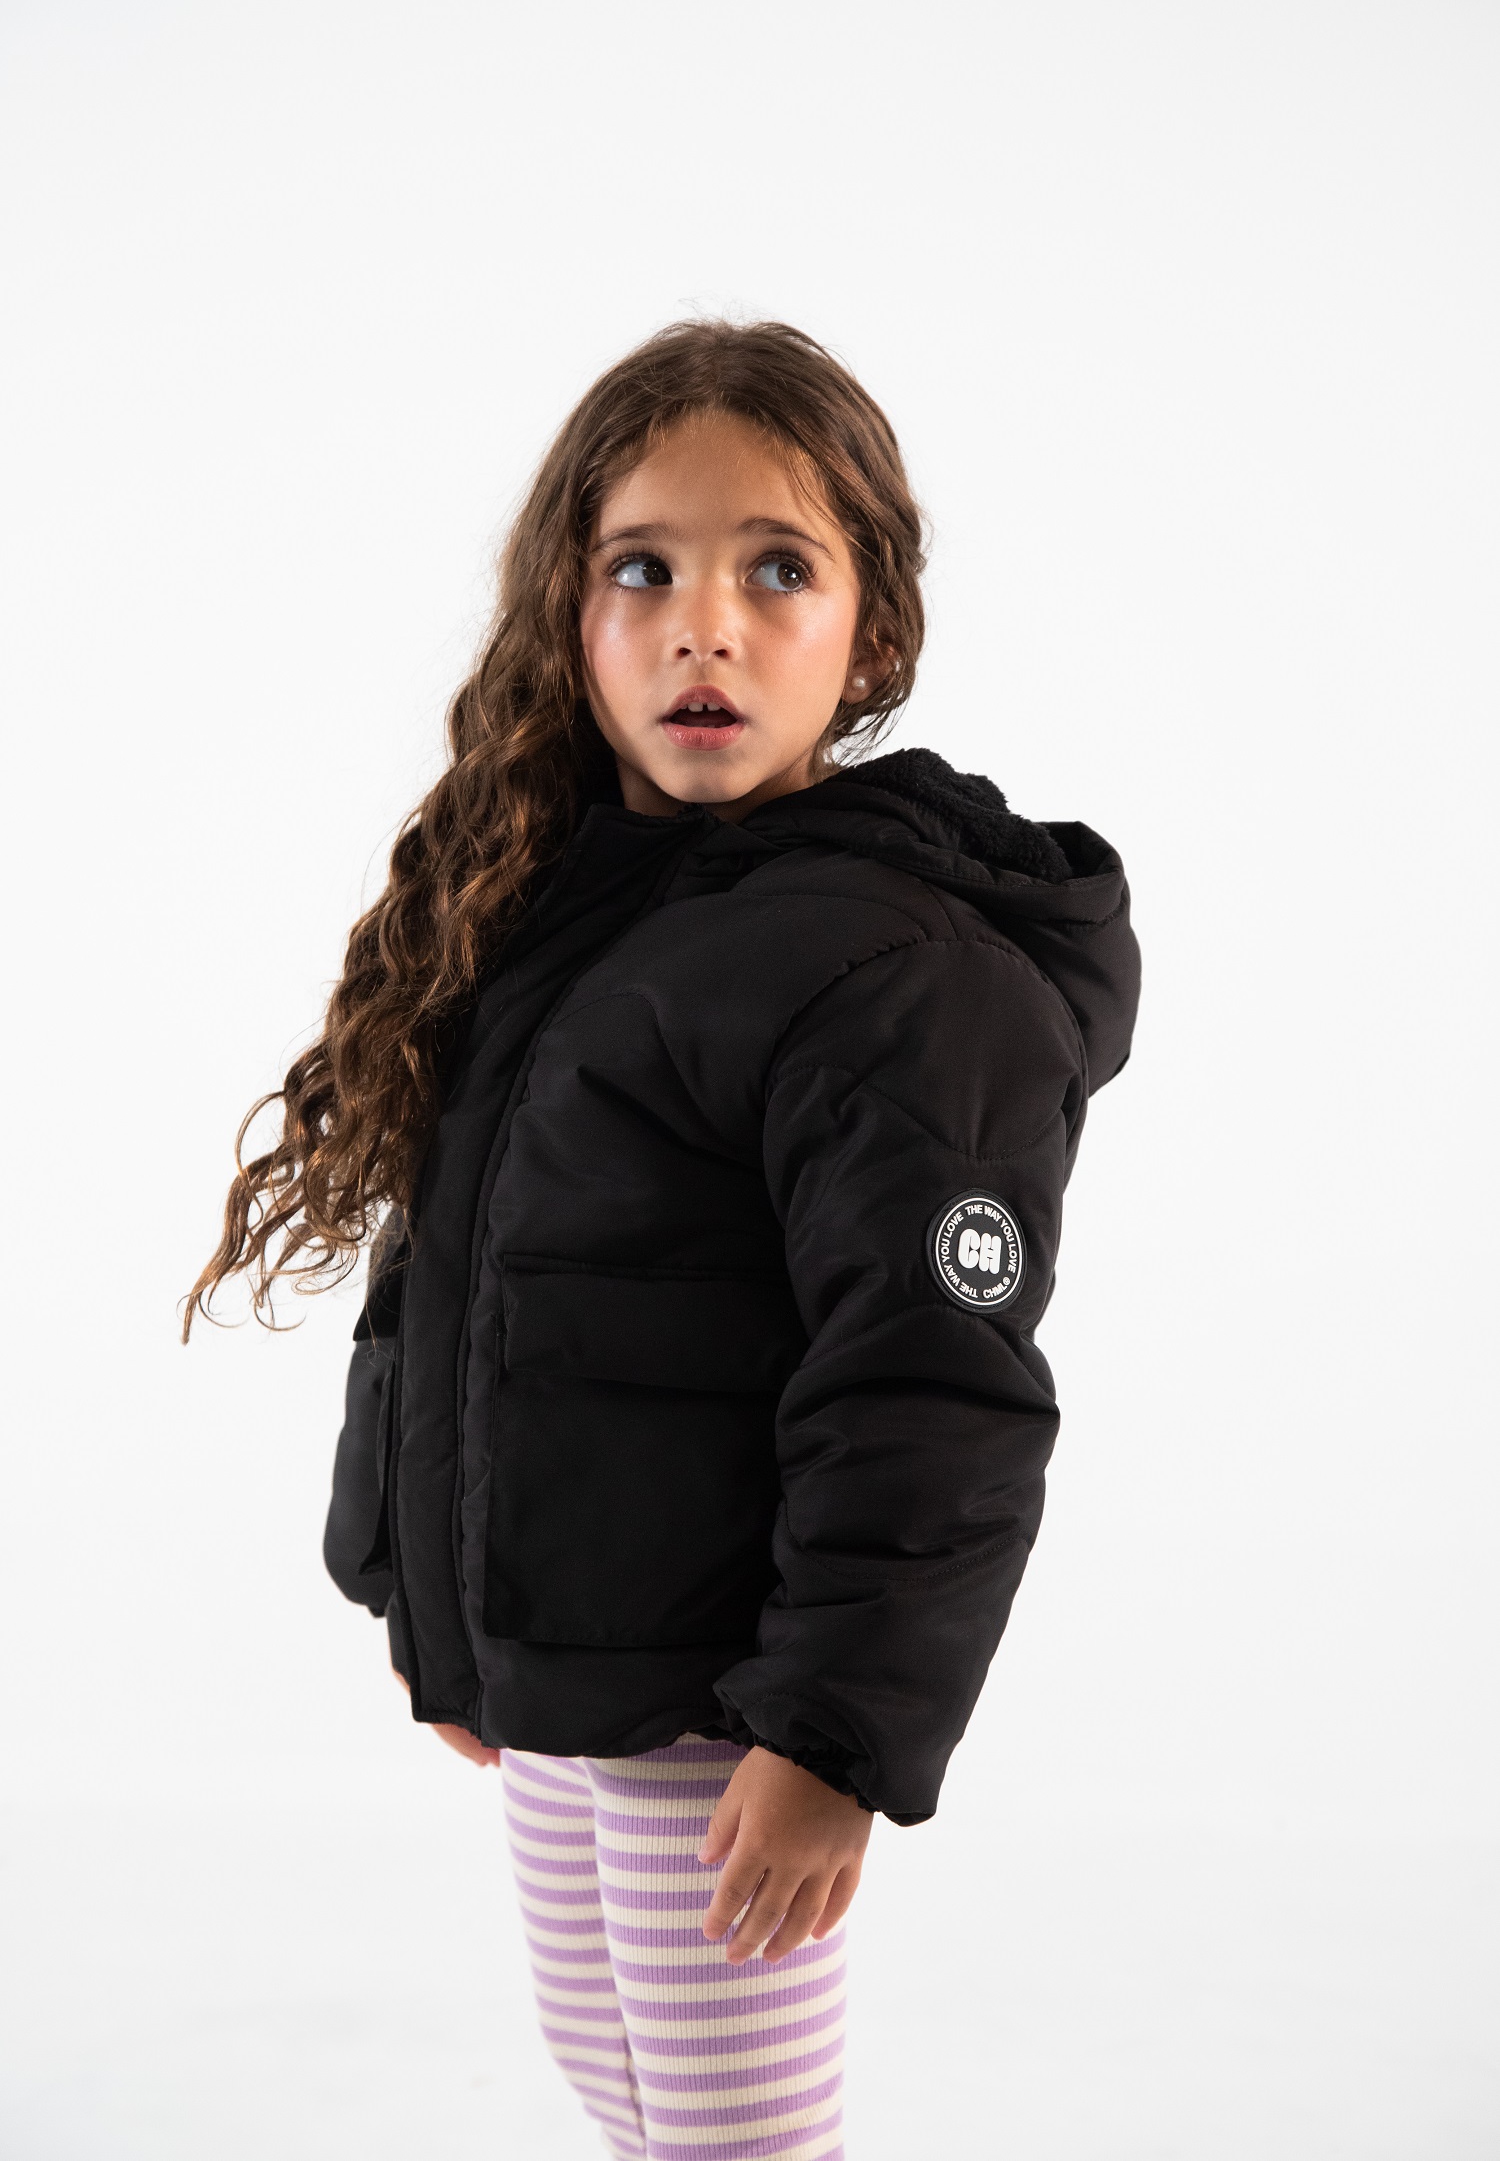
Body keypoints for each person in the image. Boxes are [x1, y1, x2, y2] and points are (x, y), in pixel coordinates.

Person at [186, 318, 1140, 2161]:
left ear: (872, 633)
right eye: (645, 569)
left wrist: (835, 1734)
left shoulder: (895, 972)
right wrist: (424, 1582)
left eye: (778, 569)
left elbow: (930, 1384)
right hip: (566, 1656)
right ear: (570, 612)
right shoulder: (557, 908)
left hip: (725, 1694)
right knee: (612, 2074)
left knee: (730, 2132)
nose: (706, 625)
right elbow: (456, 1268)